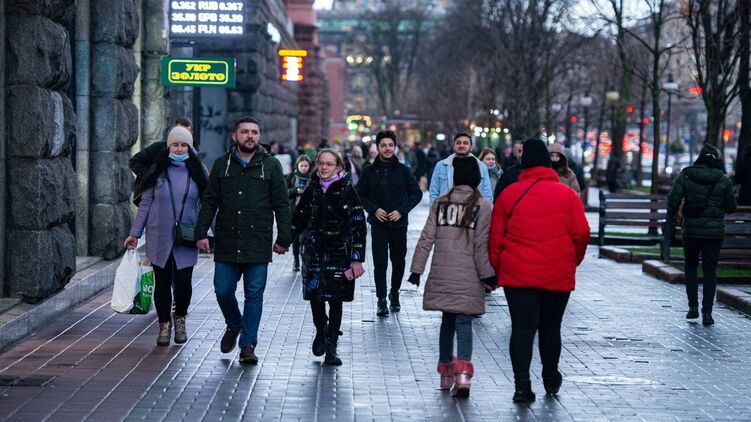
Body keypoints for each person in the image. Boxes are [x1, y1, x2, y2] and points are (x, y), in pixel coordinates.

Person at [489, 139, 590, 403]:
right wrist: (572, 262)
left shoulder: (509, 195)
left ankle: (522, 386)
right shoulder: (567, 195)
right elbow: (582, 234)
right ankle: (550, 376)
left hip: (518, 275)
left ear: (523, 162)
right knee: (551, 327)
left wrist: (501, 269)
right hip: (557, 273)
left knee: (522, 328)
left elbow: (495, 239)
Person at [194, 116, 292, 365]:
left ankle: (248, 345)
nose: (250, 136)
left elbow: (281, 204)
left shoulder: (270, 165)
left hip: (257, 242)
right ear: (235, 136)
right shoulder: (222, 165)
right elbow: (210, 201)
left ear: (259, 136)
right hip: (227, 240)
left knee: (254, 296)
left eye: (254, 132)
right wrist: (201, 232)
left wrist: (284, 237)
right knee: (223, 290)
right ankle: (234, 323)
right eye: (245, 132)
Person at [407, 156, 497, 398]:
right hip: (469, 275)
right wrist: (489, 275)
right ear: (476, 177)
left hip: (443, 271)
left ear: (456, 177)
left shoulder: (441, 203)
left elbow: (427, 238)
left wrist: (416, 270)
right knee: (464, 323)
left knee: (447, 322)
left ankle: (446, 373)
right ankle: (463, 375)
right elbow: (481, 246)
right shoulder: (482, 206)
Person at [124, 126, 207, 346]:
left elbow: (210, 204)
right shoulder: (157, 170)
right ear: (168, 146)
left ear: (189, 147)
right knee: (162, 282)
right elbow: (145, 203)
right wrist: (135, 234)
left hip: (187, 235)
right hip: (158, 234)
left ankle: (180, 319)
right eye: (175, 145)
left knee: (183, 282)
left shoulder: (199, 171)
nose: (179, 149)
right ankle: (163, 325)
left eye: (184, 145)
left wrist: (211, 233)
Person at [290, 149, 367, 366]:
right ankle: (320, 330)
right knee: (315, 297)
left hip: (339, 253)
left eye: (329, 164)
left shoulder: (347, 190)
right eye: (321, 163)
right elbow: (299, 217)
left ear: (338, 167)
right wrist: (284, 241)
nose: (324, 167)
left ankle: (332, 347)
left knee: (335, 300)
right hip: (314, 252)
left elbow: (358, 225)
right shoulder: (312, 188)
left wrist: (356, 258)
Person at [665, 144, 736, 325]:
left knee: (690, 267)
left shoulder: (686, 176)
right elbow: (731, 207)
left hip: (691, 231)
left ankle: (693, 308)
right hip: (714, 233)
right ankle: (707, 313)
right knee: (710, 270)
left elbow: (672, 201)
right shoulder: (723, 180)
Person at [356, 130, 422, 316]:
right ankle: (381, 300)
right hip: (378, 225)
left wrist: (401, 210)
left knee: (398, 262)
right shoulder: (368, 171)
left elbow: (416, 194)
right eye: (383, 145)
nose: (387, 148)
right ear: (377, 148)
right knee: (380, 264)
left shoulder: (404, 170)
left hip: (399, 225)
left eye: (390, 145)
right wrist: (373, 209)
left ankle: (394, 293)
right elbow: (359, 194)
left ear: (395, 147)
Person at [130, 117, 194, 204]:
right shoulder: (158, 148)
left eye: (186, 133)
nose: (182, 137)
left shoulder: (194, 155)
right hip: (155, 199)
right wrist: (150, 177)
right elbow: (134, 161)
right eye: (178, 132)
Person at [429, 133, 493, 204]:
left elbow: (487, 195)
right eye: (458, 143)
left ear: (471, 147)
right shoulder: (441, 165)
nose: (461, 146)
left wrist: (483, 210)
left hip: (473, 209)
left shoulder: (481, 167)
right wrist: (435, 210)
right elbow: (434, 193)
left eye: (465, 143)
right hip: (447, 209)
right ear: (453, 146)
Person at [286, 155, 313, 272]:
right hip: (294, 213)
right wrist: (295, 191)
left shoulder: (313, 177)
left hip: (308, 213)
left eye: (306, 166)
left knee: (304, 239)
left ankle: (304, 261)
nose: (304, 168)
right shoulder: (291, 176)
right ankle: (296, 260)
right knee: (295, 239)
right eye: (301, 165)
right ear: (297, 165)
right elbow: (284, 192)